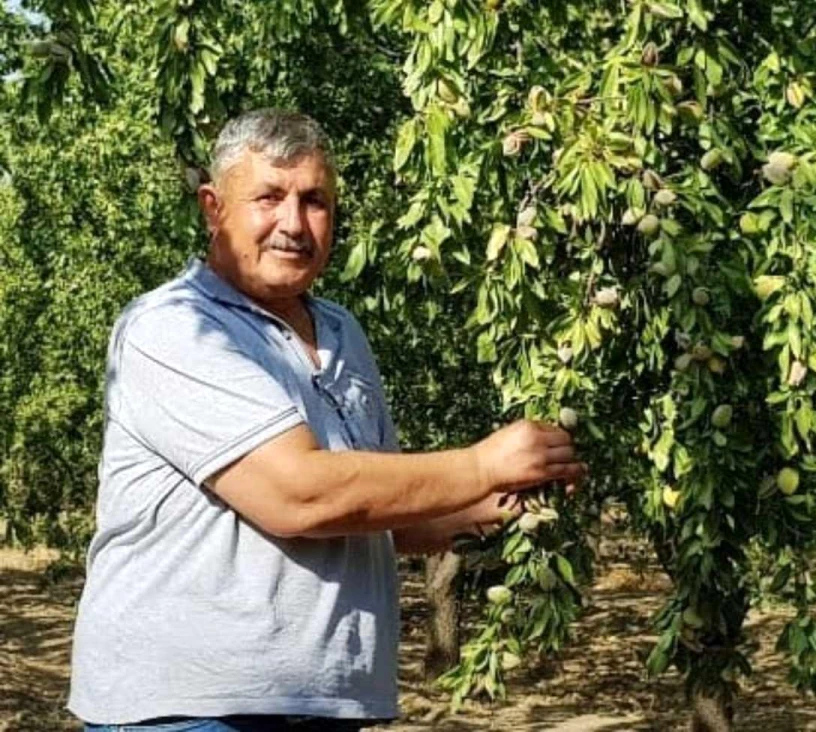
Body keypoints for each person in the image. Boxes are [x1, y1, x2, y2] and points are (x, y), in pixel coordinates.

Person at [67, 109, 587, 732]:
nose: (293, 223)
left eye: (314, 200)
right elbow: (299, 496)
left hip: (322, 703)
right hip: (192, 708)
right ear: (213, 207)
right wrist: (481, 463)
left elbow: (373, 510)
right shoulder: (176, 327)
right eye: (268, 197)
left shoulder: (341, 332)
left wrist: (489, 505)